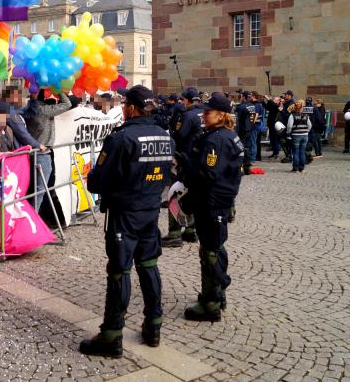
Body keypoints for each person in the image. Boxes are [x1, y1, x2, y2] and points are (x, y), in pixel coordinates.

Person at [79, 86, 173, 357]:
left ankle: (111, 334)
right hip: (150, 210)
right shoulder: (164, 136)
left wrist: (93, 175)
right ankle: (154, 325)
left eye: (124, 104)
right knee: (149, 265)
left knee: (120, 271)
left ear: (131, 107)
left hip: (125, 213)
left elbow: (98, 181)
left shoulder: (122, 138)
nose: (121, 108)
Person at [178, 92, 243, 322]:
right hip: (222, 201)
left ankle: (211, 302)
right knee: (216, 246)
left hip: (212, 202)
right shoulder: (227, 135)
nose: (203, 115)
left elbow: (208, 174)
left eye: (208, 111)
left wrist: (187, 164)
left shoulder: (217, 140)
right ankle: (216, 294)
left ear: (221, 114)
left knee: (210, 250)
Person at [163, 87, 202, 247]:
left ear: (186, 100)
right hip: (198, 159)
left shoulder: (187, 115)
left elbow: (179, 135)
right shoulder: (204, 111)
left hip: (184, 158)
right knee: (192, 194)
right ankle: (191, 229)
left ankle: (174, 232)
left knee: (175, 192)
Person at [23, 90, 72, 211]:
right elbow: (67, 104)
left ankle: (32, 217)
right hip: (42, 152)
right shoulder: (44, 110)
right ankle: (34, 220)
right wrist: (57, 89)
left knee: (32, 188)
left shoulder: (27, 109)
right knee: (40, 189)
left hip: (30, 152)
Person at [286, 100, 311, 173]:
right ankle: (302, 168)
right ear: (301, 108)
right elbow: (310, 125)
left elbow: (289, 126)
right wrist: (306, 131)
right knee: (302, 152)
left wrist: (288, 132)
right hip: (305, 135)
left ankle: (295, 168)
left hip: (296, 135)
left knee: (295, 152)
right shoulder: (306, 115)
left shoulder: (292, 115)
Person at [250, 92, 266, 161]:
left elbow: (254, 116)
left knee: (253, 142)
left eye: (250, 96)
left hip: (254, 126)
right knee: (255, 142)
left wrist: (249, 125)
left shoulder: (256, 105)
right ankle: (254, 156)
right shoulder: (259, 105)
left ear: (253, 96)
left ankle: (252, 158)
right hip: (257, 126)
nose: (249, 97)